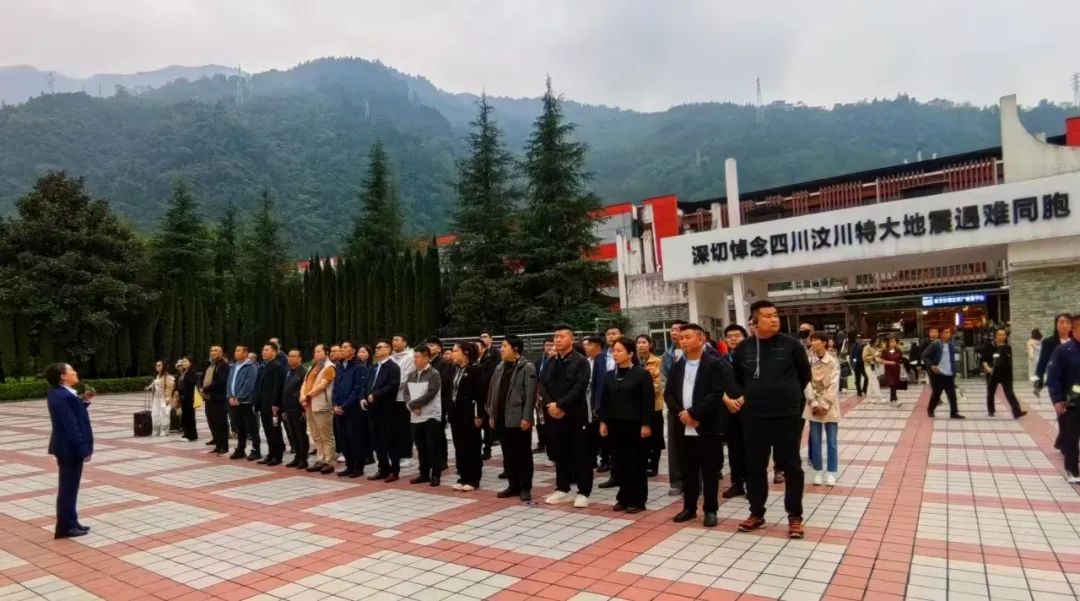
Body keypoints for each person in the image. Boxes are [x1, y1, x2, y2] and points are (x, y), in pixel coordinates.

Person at [727, 300, 812, 539]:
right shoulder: (743, 348)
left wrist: (787, 397)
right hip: (754, 417)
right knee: (755, 467)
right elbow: (738, 380)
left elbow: (805, 376)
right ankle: (756, 513)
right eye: (767, 316)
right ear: (754, 321)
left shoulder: (791, 345)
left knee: (792, 467)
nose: (774, 319)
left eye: (775, 315)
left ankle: (795, 517)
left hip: (787, 416)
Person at [666, 324, 730, 527]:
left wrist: (693, 413)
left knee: (710, 471)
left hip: (707, 426)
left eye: (687, 337)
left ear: (701, 339)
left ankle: (710, 509)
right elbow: (669, 394)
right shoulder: (678, 365)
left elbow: (716, 394)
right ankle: (689, 508)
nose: (683, 341)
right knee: (688, 470)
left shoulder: (714, 364)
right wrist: (682, 414)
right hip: (683, 426)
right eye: (681, 338)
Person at [600, 336, 656, 514]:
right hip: (615, 425)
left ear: (630, 354)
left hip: (635, 426)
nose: (615, 354)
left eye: (619, 351)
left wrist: (646, 424)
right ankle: (623, 498)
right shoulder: (609, 375)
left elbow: (648, 401)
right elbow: (604, 401)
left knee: (636, 464)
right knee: (619, 463)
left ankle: (637, 500)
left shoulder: (642, 374)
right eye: (613, 351)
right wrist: (603, 421)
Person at [540, 324, 593, 509]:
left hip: (575, 415)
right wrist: (550, 404)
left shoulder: (581, 361)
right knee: (559, 452)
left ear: (572, 339)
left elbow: (580, 387)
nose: (557, 339)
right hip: (554, 415)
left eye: (562, 336)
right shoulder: (551, 361)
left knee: (580, 453)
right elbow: (542, 384)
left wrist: (560, 405)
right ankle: (562, 488)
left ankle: (583, 492)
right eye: (555, 336)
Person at [45, 363, 94, 539]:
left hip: (66, 447)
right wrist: (83, 450)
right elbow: (71, 426)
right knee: (68, 489)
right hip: (69, 449)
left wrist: (84, 401)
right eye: (71, 370)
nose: (75, 372)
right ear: (63, 376)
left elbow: (74, 413)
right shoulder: (63, 396)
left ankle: (71, 521)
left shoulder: (60, 393)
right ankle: (65, 527)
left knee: (70, 488)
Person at [487, 336, 538, 502]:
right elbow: (492, 391)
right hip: (502, 419)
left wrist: (527, 417)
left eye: (504, 346)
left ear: (515, 349)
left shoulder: (527, 367)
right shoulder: (500, 367)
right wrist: (492, 414)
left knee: (523, 454)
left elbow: (530, 395)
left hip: (519, 419)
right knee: (508, 454)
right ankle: (512, 485)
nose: (501, 349)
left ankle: (525, 487)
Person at [804, 332, 841, 487]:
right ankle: (818, 470)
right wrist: (812, 402)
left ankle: (831, 472)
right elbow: (805, 381)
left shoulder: (832, 360)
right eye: (812, 340)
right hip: (812, 401)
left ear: (824, 342)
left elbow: (834, 384)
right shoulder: (808, 360)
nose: (813, 343)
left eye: (816, 340)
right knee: (815, 440)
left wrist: (825, 404)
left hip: (829, 404)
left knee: (832, 441)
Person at [1046, 313, 1080, 482]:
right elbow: (1053, 377)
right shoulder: (1063, 351)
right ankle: (1072, 470)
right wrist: (1057, 399)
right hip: (1072, 402)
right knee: (1071, 437)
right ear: (1074, 330)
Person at [448, 342, 485, 491]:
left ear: (466, 353)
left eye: (455, 351)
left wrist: (479, 415)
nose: (452, 354)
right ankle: (462, 476)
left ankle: (473, 479)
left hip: (469, 414)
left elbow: (480, 395)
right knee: (460, 446)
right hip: (455, 413)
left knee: (472, 446)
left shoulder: (476, 370)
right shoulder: (454, 369)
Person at [406, 346, 444, 486]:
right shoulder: (412, 374)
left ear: (427, 358)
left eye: (418, 357)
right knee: (420, 446)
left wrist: (414, 404)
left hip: (430, 415)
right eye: (414, 357)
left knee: (433, 446)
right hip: (415, 416)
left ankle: (436, 475)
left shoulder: (434, 374)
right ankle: (424, 473)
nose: (415, 360)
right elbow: (406, 392)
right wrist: (412, 406)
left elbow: (431, 393)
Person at [367, 340, 403, 480]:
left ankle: (394, 470)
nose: (376, 350)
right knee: (377, 440)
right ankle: (383, 468)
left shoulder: (393, 367)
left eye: (379, 347)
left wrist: (376, 395)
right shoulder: (375, 367)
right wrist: (365, 396)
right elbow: (368, 384)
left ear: (388, 349)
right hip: (373, 408)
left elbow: (392, 385)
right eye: (376, 348)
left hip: (387, 409)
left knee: (390, 440)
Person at [333, 341, 368, 478]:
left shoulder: (359, 367)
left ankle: (358, 467)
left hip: (353, 409)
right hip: (339, 409)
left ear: (353, 350)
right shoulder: (340, 366)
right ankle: (349, 465)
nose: (342, 350)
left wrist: (344, 406)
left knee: (355, 438)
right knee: (343, 438)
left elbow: (358, 388)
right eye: (341, 347)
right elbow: (335, 387)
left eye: (345, 348)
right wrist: (335, 404)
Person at [1037, 315, 1073, 448]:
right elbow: (1042, 362)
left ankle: (1061, 442)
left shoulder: (1076, 340)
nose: (1064, 325)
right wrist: (1038, 382)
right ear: (1056, 325)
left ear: (1071, 325)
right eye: (1061, 322)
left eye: (1067, 322)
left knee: (1072, 416)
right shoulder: (1049, 342)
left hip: (1074, 385)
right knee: (1063, 415)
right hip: (1056, 385)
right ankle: (1067, 447)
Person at [661, 319, 688, 496]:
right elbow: (665, 381)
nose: (674, 333)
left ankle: (699, 479)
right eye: (672, 330)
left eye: (678, 329)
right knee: (675, 444)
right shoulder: (667, 355)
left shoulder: (698, 354)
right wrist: (675, 406)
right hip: (674, 406)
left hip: (694, 407)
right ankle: (677, 481)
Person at [722, 324, 749, 499]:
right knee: (733, 448)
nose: (733, 339)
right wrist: (727, 400)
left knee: (750, 448)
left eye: (737, 335)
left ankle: (752, 484)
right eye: (729, 336)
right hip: (728, 409)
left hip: (749, 408)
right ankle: (737, 484)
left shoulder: (752, 359)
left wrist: (743, 399)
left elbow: (759, 382)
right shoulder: (720, 361)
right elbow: (715, 384)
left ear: (745, 338)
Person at [302, 344, 337, 474]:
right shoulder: (313, 366)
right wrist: (302, 396)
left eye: (318, 352)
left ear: (326, 353)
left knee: (326, 435)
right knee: (315, 435)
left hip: (322, 405)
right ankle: (320, 459)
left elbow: (322, 386)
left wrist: (307, 396)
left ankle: (329, 461)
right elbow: (305, 382)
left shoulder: (329, 367)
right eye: (315, 352)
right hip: (309, 404)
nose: (315, 354)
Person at [583, 335, 613, 486]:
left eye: (588, 345)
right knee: (594, 433)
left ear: (596, 346)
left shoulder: (602, 360)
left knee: (605, 435)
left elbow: (600, 385)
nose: (586, 348)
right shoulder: (590, 361)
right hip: (592, 403)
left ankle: (607, 461)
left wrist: (598, 405)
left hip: (602, 404)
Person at [981, 329, 1028, 419]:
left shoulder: (1007, 347)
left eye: (1003, 335)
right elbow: (983, 359)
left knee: (1010, 393)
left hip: (1006, 374)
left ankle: (1017, 412)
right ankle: (991, 411)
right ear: (996, 336)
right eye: (1000, 335)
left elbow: (1007, 361)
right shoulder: (989, 346)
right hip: (993, 373)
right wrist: (988, 369)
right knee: (990, 393)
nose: (1002, 336)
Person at [635, 335, 665, 478]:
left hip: (654, 406)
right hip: (637, 407)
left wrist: (640, 390)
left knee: (655, 437)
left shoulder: (657, 361)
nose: (641, 345)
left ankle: (654, 465)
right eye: (638, 342)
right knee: (641, 437)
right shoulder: (633, 361)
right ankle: (643, 463)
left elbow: (659, 384)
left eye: (644, 342)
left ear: (650, 344)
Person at [923, 327, 965, 419]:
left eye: (948, 332)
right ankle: (930, 410)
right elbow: (924, 356)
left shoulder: (951, 345)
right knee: (936, 394)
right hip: (938, 374)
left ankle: (954, 413)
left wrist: (954, 372)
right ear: (941, 334)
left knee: (952, 395)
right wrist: (931, 366)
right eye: (945, 332)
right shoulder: (936, 344)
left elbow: (951, 360)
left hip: (949, 375)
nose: (947, 334)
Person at [255, 343, 286, 466]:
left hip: (273, 407)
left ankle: (277, 456)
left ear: (274, 352)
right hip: (264, 405)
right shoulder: (263, 366)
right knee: (268, 430)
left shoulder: (277, 366)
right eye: (263, 349)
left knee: (275, 429)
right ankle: (271, 453)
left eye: (267, 350)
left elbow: (278, 386)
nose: (264, 352)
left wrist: (275, 403)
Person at [228, 346, 260, 460]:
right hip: (234, 401)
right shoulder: (234, 366)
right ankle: (241, 449)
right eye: (235, 350)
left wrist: (239, 397)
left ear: (246, 353)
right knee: (239, 426)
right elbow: (229, 382)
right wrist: (229, 396)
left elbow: (249, 384)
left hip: (246, 401)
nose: (236, 353)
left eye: (238, 351)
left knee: (251, 426)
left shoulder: (251, 366)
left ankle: (256, 449)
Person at [390, 334, 416, 468]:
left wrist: (390, 388)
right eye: (393, 340)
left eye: (397, 340)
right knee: (393, 427)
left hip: (403, 397)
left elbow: (406, 377)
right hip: (390, 397)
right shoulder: (391, 357)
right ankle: (396, 453)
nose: (394, 342)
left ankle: (406, 455)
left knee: (404, 427)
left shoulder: (410, 357)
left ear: (405, 342)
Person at [427, 338, 453, 472]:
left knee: (439, 432)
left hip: (439, 402)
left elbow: (443, 383)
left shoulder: (443, 363)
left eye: (432, 345)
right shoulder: (426, 362)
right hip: (426, 403)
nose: (428, 347)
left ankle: (443, 459)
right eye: (428, 345)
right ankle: (432, 458)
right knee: (429, 432)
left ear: (438, 348)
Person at [281, 349, 309, 469]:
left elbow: (304, 391)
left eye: (294, 356)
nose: (290, 359)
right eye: (289, 356)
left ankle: (303, 458)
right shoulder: (289, 371)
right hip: (288, 408)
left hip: (298, 408)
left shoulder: (303, 372)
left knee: (300, 433)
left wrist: (303, 409)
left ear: (300, 358)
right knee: (293, 433)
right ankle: (297, 456)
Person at [202, 346, 230, 455]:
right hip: (209, 399)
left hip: (219, 399)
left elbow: (220, 382)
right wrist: (201, 387)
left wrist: (206, 389)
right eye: (211, 351)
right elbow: (203, 377)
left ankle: (224, 446)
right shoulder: (210, 365)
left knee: (220, 423)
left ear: (221, 353)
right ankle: (218, 445)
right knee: (212, 422)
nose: (213, 352)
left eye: (216, 351)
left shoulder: (224, 366)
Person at [477, 332, 500, 460]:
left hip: (487, 393)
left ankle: (488, 448)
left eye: (485, 337)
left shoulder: (493, 356)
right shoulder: (475, 360)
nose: (483, 339)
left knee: (486, 422)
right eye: (482, 337)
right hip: (477, 396)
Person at [534, 337, 557, 456]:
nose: (549, 347)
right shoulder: (539, 361)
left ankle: (551, 445)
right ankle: (541, 442)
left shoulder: (557, 360)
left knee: (550, 421)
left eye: (551, 345)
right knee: (540, 420)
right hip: (539, 393)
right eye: (547, 345)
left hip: (552, 395)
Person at [145, 360, 175, 437]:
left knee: (164, 414)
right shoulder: (157, 376)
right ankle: (156, 430)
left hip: (163, 398)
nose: (157, 367)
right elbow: (154, 383)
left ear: (163, 366)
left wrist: (168, 397)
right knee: (155, 414)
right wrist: (148, 387)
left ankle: (164, 430)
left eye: (159, 365)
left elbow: (170, 387)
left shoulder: (167, 376)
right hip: (156, 398)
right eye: (156, 365)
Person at [175, 357, 198, 441]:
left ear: (190, 363)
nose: (183, 363)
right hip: (183, 398)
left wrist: (184, 394)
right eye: (183, 361)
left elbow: (190, 385)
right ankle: (186, 433)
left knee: (190, 417)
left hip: (188, 398)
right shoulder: (184, 372)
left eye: (185, 361)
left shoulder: (191, 372)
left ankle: (191, 436)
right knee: (185, 417)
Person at [880, 337, 904, 406]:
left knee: (894, 385)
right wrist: (888, 362)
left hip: (896, 369)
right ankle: (895, 400)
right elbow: (881, 360)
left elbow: (901, 359)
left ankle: (892, 400)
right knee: (892, 384)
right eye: (891, 341)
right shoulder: (885, 350)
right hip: (889, 370)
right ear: (888, 342)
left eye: (894, 341)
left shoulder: (898, 350)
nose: (893, 343)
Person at [862, 338, 882, 403]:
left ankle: (869, 397)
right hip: (868, 366)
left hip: (873, 366)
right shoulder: (867, 347)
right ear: (874, 341)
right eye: (877, 341)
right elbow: (864, 358)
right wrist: (874, 356)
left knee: (871, 382)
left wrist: (878, 357)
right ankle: (878, 397)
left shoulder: (875, 348)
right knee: (874, 381)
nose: (878, 343)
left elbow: (876, 357)